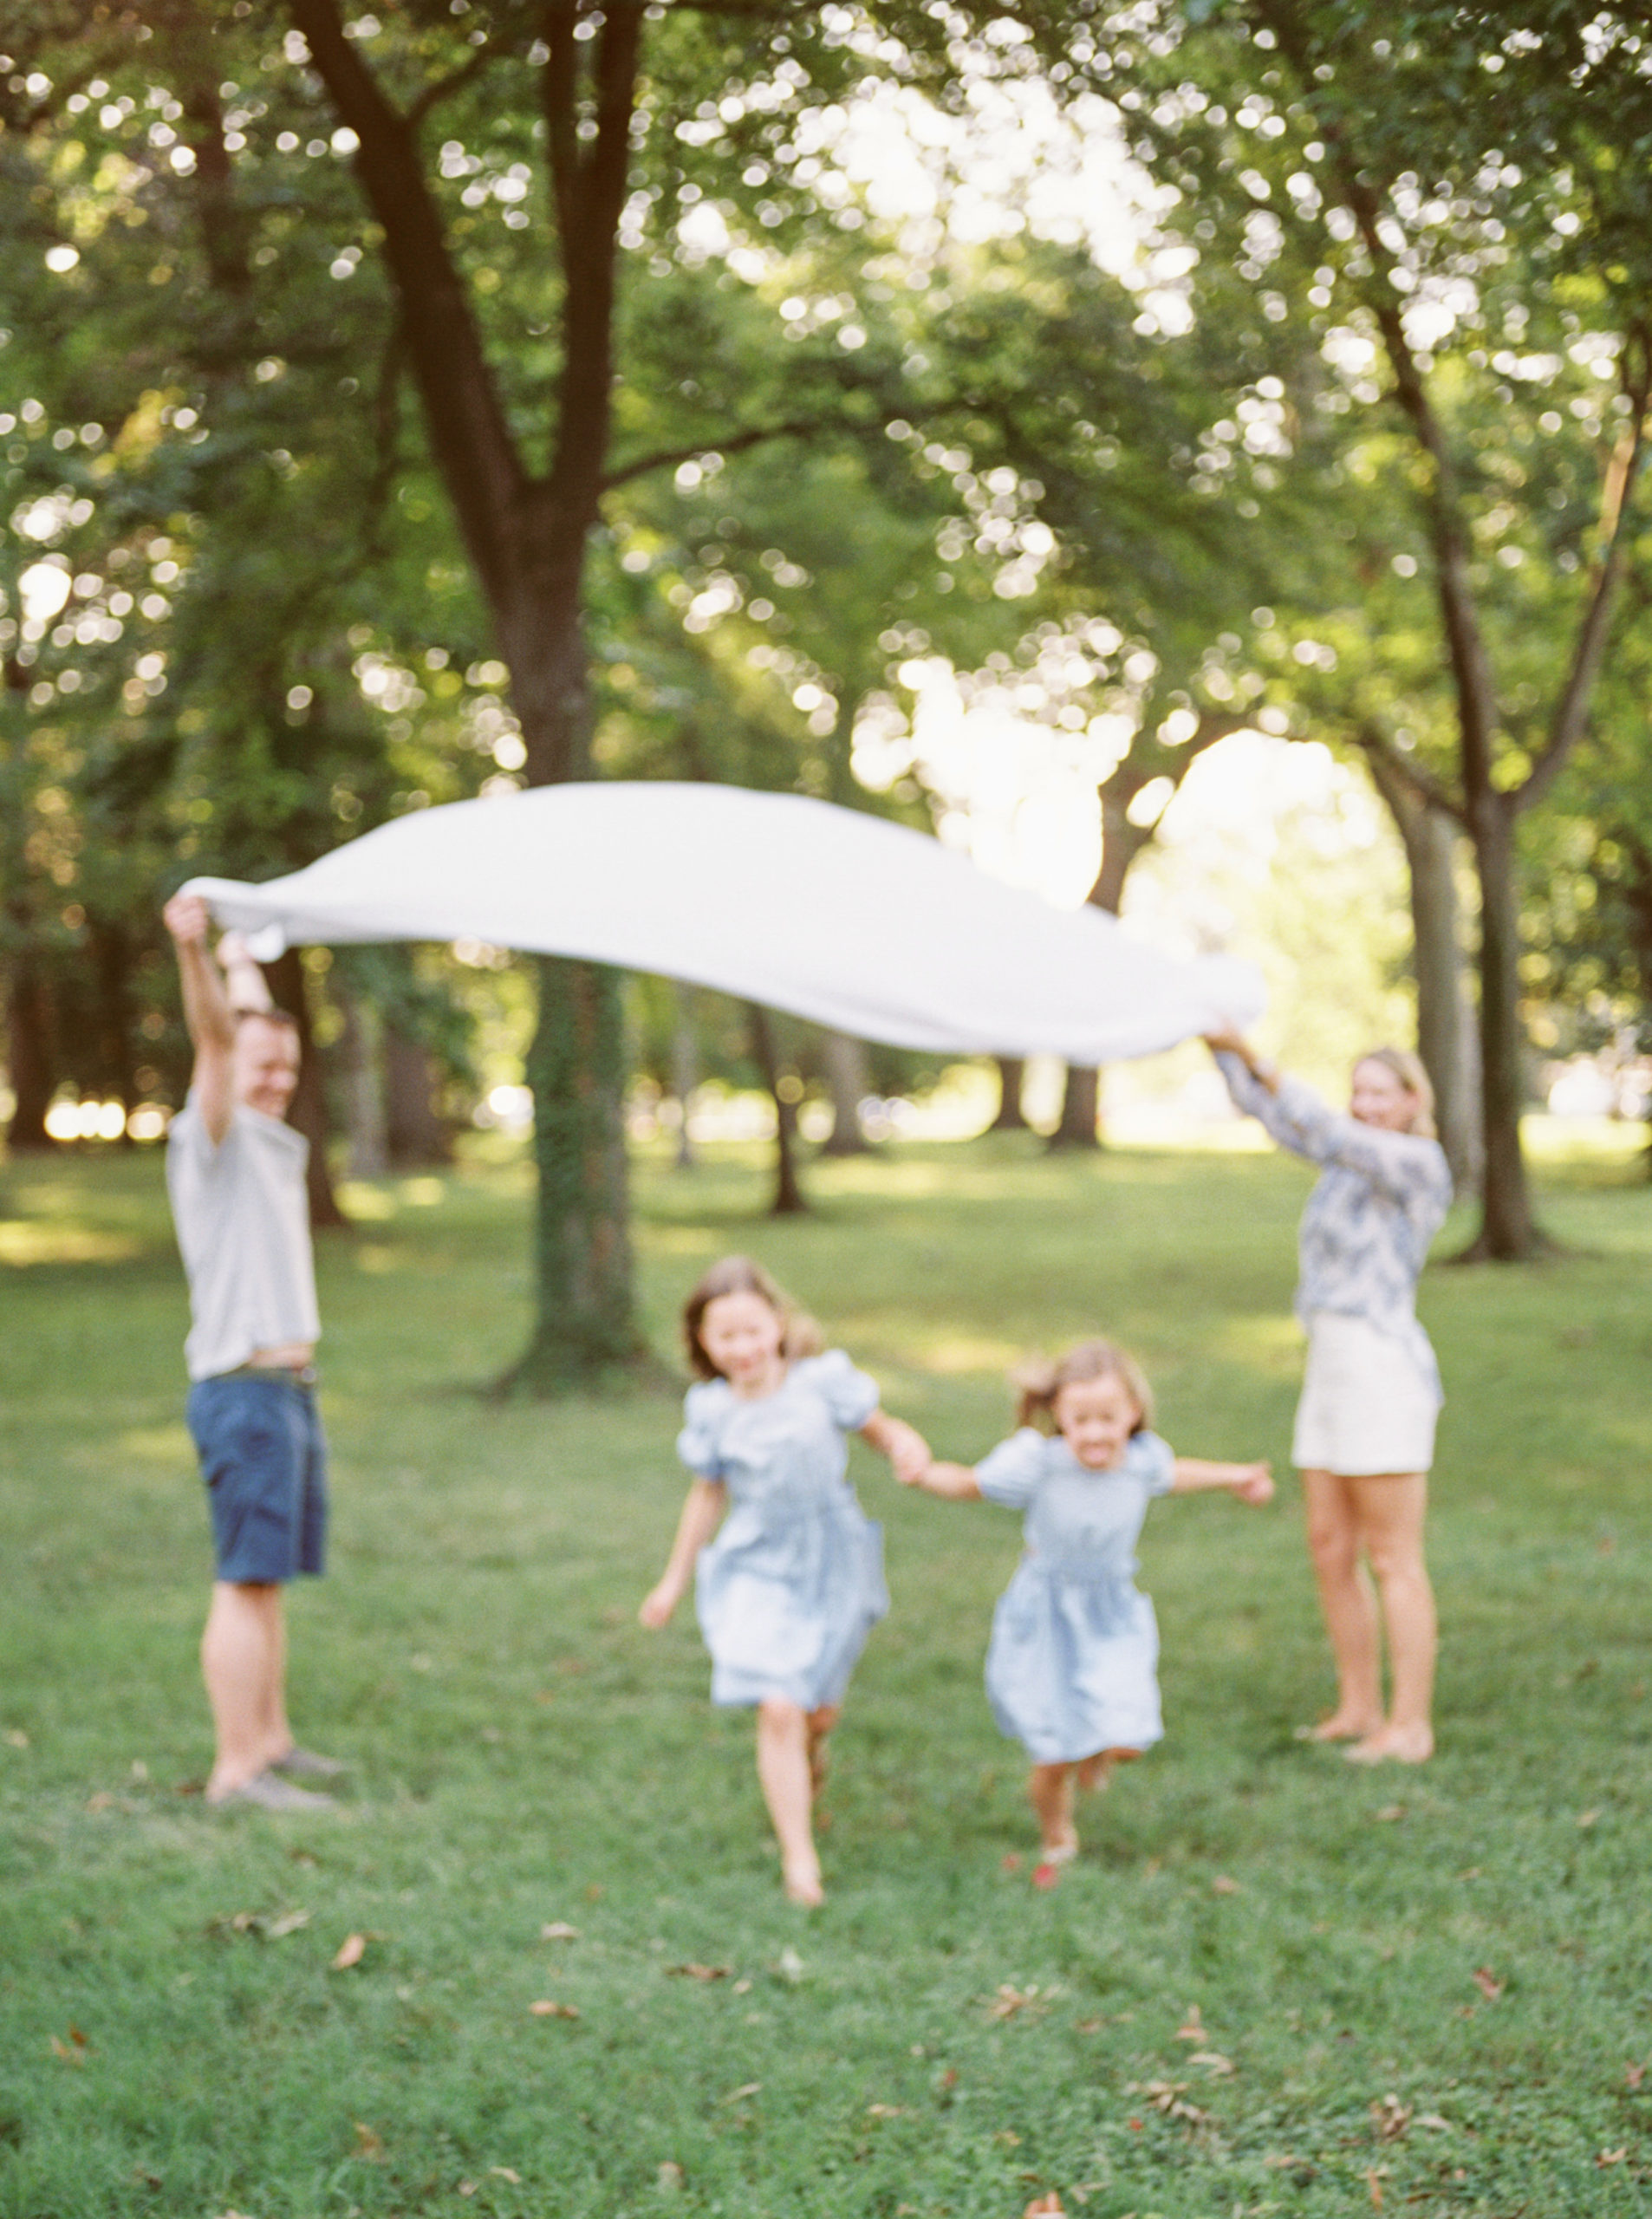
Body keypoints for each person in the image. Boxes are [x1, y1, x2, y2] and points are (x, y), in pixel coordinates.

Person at [903, 1339, 1272, 1886]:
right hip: (1046, 1611)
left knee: (1127, 1736)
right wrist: (921, 1471)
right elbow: (969, 1484)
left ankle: (1098, 1749)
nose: (1095, 1433)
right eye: (1080, 1419)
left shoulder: (1142, 1461)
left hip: (1111, 1608)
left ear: (1133, 1414)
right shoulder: (1039, 1464)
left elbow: (1178, 1474)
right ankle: (1058, 1832)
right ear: (1059, 1416)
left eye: (1108, 1418)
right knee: (1053, 1747)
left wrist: (1235, 1476)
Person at [639, 1256, 930, 1906]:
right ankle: (801, 1862)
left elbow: (883, 1432)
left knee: (814, 1710)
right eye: (725, 1336)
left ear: (777, 1323)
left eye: (751, 1329)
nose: (742, 1347)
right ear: (704, 1345)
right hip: (758, 1559)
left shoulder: (822, 1382)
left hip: (833, 1558)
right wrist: (672, 1581)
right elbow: (706, 1497)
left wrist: (907, 1447)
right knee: (777, 1704)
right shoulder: (712, 1411)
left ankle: (810, 1748)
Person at [1205, 1031, 1453, 1765]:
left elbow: (1315, 1123)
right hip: (1330, 1366)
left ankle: (1410, 1725)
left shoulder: (1414, 1162)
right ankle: (1357, 1706)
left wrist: (1260, 1052)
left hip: (1380, 1366)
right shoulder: (1343, 1163)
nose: (1366, 1103)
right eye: (1359, 1089)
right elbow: (1279, 1117)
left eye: (1382, 1091)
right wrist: (1218, 1042)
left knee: (1392, 1555)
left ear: (1414, 1102)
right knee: (1329, 1547)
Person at [163, 892, 343, 1811]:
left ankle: (271, 1740)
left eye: (287, 1063)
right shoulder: (214, 1139)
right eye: (259, 1062)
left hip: (285, 1392)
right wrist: (198, 957)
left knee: (268, 1581)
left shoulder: (267, 1138)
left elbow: (247, 1028)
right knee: (243, 1580)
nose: (274, 1076)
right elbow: (217, 1040)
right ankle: (236, 1769)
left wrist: (244, 953)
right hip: (244, 1392)